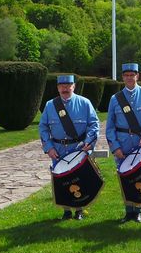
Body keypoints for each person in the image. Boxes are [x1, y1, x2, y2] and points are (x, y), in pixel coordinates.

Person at [106, 63, 141, 223]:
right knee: (125, 178)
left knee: (140, 177)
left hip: (140, 145)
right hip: (122, 145)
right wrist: (115, 146)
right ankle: (128, 210)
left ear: (138, 76)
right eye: (126, 75)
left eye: (132, 75)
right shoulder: (115, 99)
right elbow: (109, 127)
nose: (129, 78)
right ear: (123, 77)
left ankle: (137, 210)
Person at [39, 74, 100, 220]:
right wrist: (49, 147)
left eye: (68, 86)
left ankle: (79, 209)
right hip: (58, 149)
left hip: (77, 148)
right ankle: (66, 210)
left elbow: (94, 124)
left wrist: (88, 142)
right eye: (62, 86)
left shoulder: (84, 103)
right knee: (62, 180)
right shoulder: (50, 105)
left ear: (74, 86)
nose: (65, 89)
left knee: (80, 179)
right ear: (58, 87)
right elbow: (43, 128)